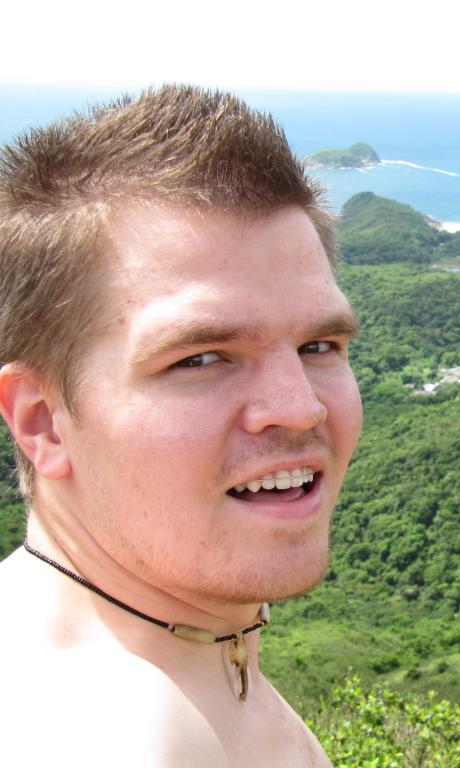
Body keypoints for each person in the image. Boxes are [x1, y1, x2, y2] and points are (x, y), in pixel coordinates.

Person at [0, 85, 361, 765]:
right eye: (200, 358)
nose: (300, 406)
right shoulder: (114, 729)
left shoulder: (191, 662)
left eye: (320, 346)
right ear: (43, 420)